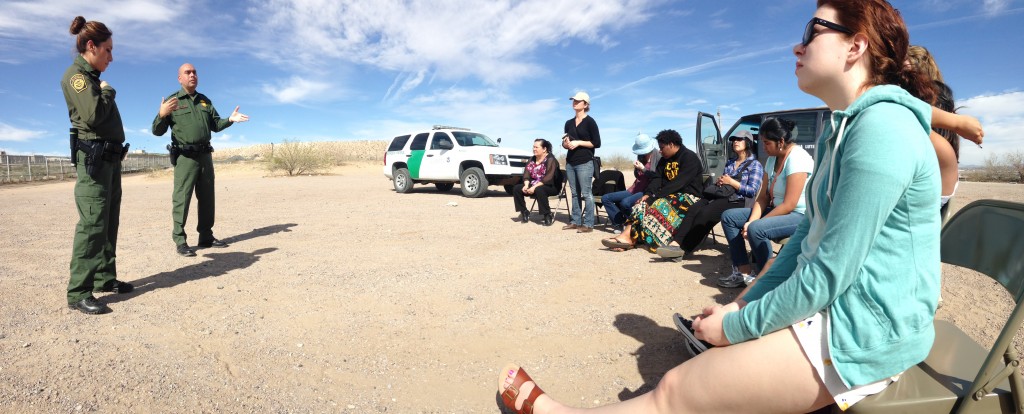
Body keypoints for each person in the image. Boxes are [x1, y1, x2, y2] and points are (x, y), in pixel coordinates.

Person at [497, 1, 941, 412]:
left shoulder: (884, 129)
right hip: (843, 305)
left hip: (868, 328)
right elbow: (805, 240)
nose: (797, 45)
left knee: (675, 389)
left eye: (814, 29)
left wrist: (733, 327)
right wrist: (742, 305)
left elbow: (829, 271)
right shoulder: (842, 131)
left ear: (856, 45)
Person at [61, 16, 133, 315]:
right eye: (108, 50)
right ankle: (79, 291)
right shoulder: (78, 77)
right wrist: (107, 91)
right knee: (92, 225)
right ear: (91, 46)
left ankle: (104, 277)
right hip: (94, 161)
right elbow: (92, 115)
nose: (111, 57)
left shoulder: (91, 79)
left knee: (108, 222)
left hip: (109, 160)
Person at [152, 63, 249, 257]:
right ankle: (180, 240)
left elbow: (216, 124)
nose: (192, 75)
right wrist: (161, 115)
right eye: (187, 73)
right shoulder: (173, 100)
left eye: (194, 72)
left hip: (205, 156)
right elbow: (157, 131)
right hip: (185, 158)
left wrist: (229, 120)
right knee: (182, 199)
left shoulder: (205, 101)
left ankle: (206, 236)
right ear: (180, 78)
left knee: (207, 198)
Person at [717, 118, 813, 288]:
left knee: (757, 229)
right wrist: (752, 219)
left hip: (799, 215)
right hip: (778, 209)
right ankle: (744, 272)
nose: (763, 147)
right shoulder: (772, 159)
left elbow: (790, 204)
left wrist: (756, 223)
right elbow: (762, 197)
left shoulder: (798, 158)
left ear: (781, 142)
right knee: (729, 217)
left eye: (767, 143)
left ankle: (767, 278)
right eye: (762, 142)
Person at [657, 130, 763, 259]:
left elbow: (752, 191)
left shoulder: (755, 165)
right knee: (693, 209)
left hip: (739, 200)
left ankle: (683, 249)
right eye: (734, 139)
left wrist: (732, 182)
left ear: (748, 143)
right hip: (723, 195)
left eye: (740, 139)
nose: (735, 141)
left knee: (705, 213)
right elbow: (726, 182)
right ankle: (675, 243)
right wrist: (721, 181)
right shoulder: (730, 162)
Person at [600, 129, 703, 252]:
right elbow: (657, 179)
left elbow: (679, 183)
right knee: (641, 204)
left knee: (659, 204)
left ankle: (632, 239)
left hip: (688, 196)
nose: (660, 150)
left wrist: (655, 197)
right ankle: (627, 237)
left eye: (662, 147)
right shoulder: (664, 160)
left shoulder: (689, 158)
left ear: (671, 144)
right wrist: (648, 194)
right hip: (670, 194)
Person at [600, 132, 660, 232]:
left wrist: (644, 169)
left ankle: (635, 224)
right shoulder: (641, 156)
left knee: (625, 203)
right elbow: (638, 176)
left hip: (646, 190)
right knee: (606, 198)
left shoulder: (657, 157)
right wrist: (637, 169)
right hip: (635, 188)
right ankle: (621, 223)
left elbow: (656, 178)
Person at [561, 91, 601, 233]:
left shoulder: (590, 122)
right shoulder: (568, 123)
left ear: (586, 104)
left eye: (578, 101)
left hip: (585, 162)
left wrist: (578, 142)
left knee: (586, 193)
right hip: (570, 161)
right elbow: (565, 142)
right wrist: (566, 144)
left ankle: (589, 224)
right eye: (573, 100)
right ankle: (575, 221)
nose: (575, 102)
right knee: (574, 193)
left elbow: (597, 143)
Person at [512, 139, 559, 226]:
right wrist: (526, 185)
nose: (534, 149)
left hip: (551, 186)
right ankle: (524, 211)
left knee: (539, 189)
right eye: (533, 147)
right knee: (517, 188)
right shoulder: (532, 159)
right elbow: (526, 174)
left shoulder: (551, 159)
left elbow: (548, 178)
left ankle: (547, 215)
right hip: (534, 184)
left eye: (536, 147)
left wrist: (533, 187)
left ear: (544, 149)